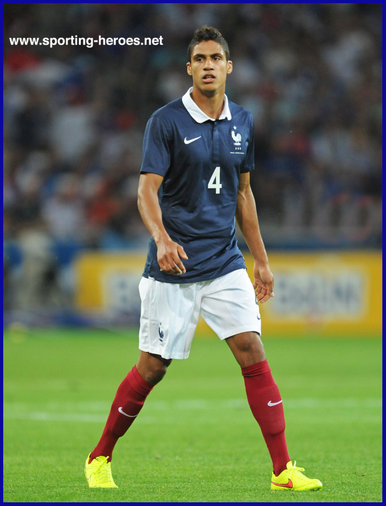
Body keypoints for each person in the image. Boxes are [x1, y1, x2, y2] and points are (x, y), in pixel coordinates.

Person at [85, 25, 322, 492]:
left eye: (217, 57)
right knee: (153, 367)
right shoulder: (166, 121)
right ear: (189, 67)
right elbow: (145, 190)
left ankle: (282, 471)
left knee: (252, 348)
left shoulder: (243, 122)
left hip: (224, 261)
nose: (209, 65)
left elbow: (244, 193)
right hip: (173, 266)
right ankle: (99, 456)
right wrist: (161, 238)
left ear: (229, 67)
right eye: (200, 58)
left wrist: (262, 259)